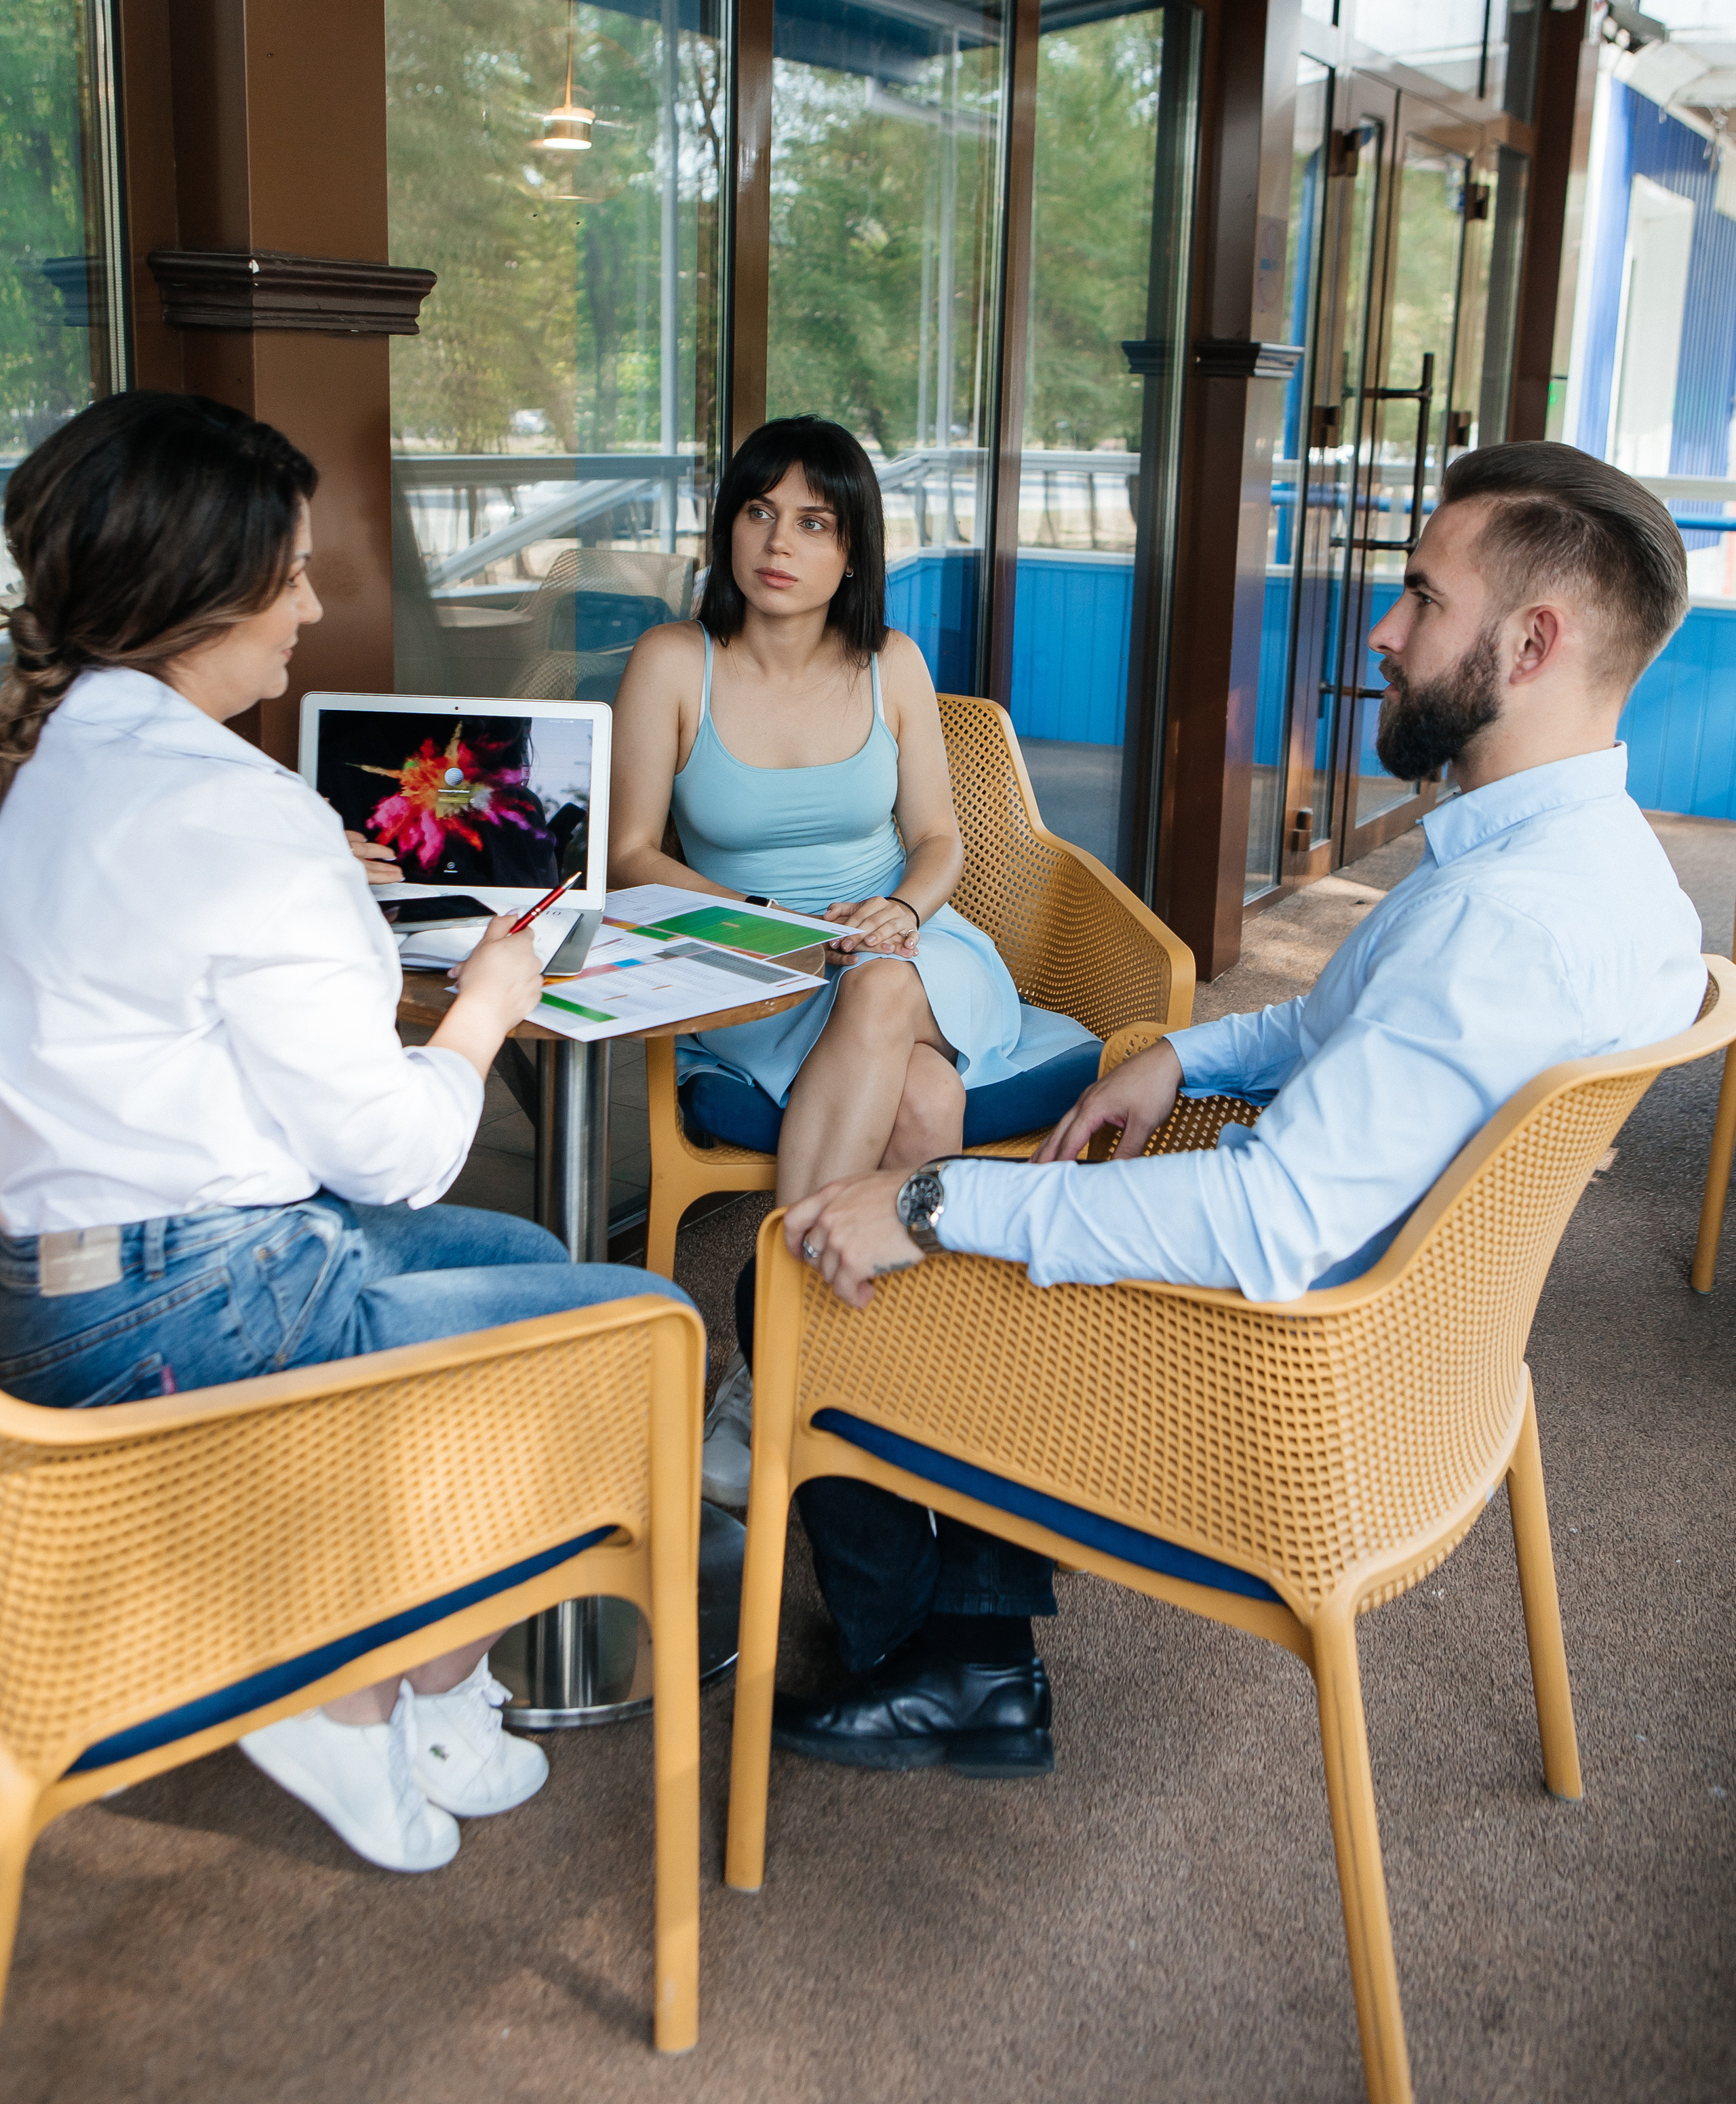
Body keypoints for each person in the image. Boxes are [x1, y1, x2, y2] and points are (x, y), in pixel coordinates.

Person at [767, 441, 1705, 1774]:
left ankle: (941, 1665)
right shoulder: (1614, 886)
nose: (1380, 631)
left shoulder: (1498, 924)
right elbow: (1341, 1034)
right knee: (999, 1220)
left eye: (1422, 600)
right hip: (1434, 1371)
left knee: (806, 1277)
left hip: (1269, 1387)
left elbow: (1264, 1223)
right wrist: (1181, 1063)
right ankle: (975, 1634)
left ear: (1532, 640)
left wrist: (922, 1202)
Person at [0, 393, 684, 1872]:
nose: (313, 606)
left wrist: (334, 894)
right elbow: (393, 1154)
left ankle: (429, 1688)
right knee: (644, 1332)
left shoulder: (60, 768)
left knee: (514, 1248)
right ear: (203, 592)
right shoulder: (247, 816)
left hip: (53, 1293)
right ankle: (353, 1683)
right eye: (291, 574)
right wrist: (489, 999)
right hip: (191, 1308)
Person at [608, 416, 1098, 1500]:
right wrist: (762, 919)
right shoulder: (673, 661)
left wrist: (902, 915)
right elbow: (631, 854)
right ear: (730, 525)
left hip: (915, 947)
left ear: (852, 550)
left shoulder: (893, 665)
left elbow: (939, 841)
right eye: (758, 512)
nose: (779, 542)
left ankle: (772, 1362)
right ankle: (896, 1387)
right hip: (753, 964)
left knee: (881, 991)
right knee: (923, 1101)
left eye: (814, 522)